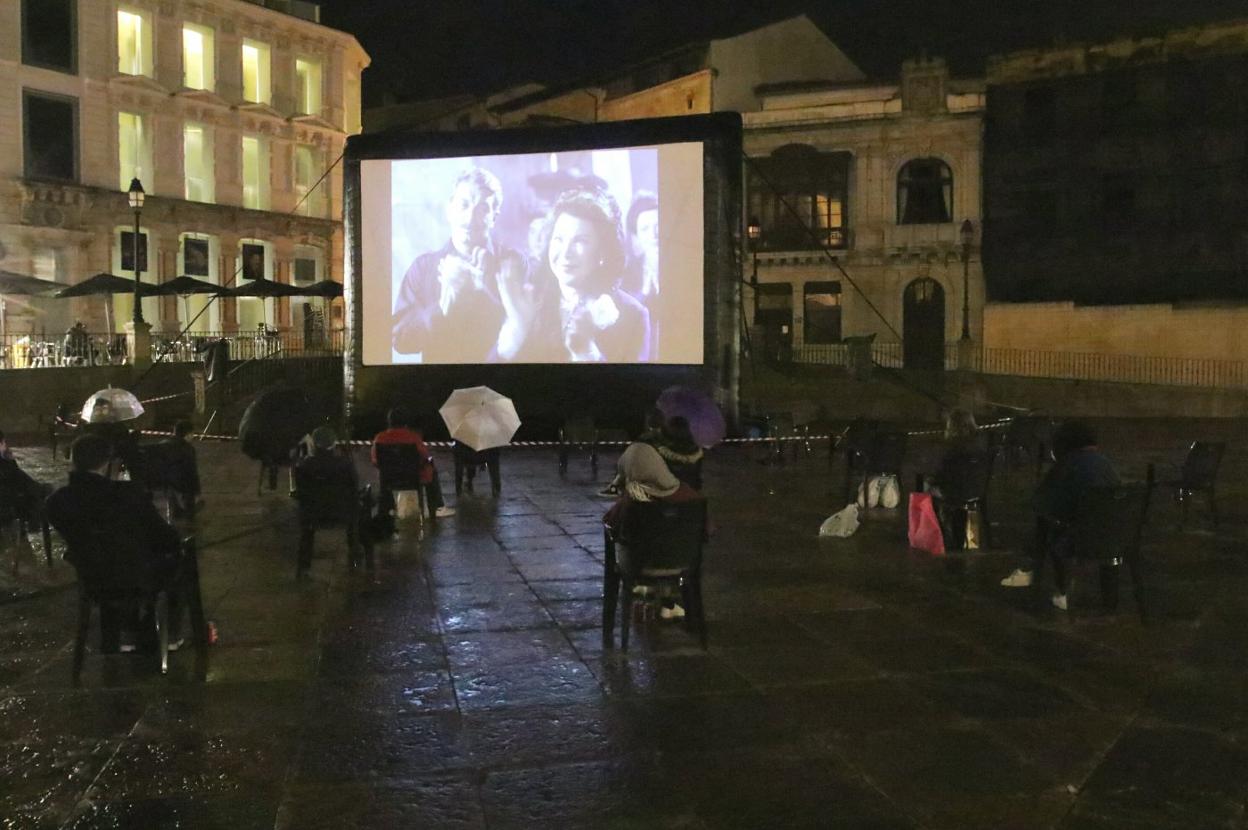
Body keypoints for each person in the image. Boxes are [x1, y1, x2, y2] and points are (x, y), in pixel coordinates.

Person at [46, 434, 185, 653]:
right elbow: (165, 537)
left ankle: (125, 633)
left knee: (119, 560)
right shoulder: (127, 494)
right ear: (107, 463)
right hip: (137, 577)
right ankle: (169, 633)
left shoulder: (57, 501)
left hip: (93, 578)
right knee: (176, 564)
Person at [495, 187, 650, 363]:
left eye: (580, 241)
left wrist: (587, 352)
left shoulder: (633, 315)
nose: (565, 253)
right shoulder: (525, 302)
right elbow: (485, 383)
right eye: (559, 239)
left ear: (602, 252)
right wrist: (517, 329)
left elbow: (631, 388)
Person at [391, 167, 529, 362]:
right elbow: (401, 341)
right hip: (438, 385)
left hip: (500, 382)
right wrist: (442, 309)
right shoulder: (423, 268)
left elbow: (527, 332)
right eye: (464, 204)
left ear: (494, 218)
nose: (470, 218)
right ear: (450, 208)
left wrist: (484, 288)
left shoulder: (513, 263)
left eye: (483, 209)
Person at [1000, 420, 1121, 610]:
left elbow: (1041, 502)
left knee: (1047, 521)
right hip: (1116, 537)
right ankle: (1110, 599)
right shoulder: (1106, 465)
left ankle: (1037, 571)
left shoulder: (1067, 465)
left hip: (1079, 539)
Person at [604, 440, 706, 620]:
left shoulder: (630, 500)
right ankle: (671, 604)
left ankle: (643, 596)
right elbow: (707, 529)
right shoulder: (690, 496)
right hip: (682, 564)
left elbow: (611, 524)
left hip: (639, 565)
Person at [294, 427, 360, 575]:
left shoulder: (303, 465)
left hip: (313, 514)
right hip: (342, 513)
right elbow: (354, 487)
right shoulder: (345, 464)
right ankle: (355, 558)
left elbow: (301, 492)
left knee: (307, 530)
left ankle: (304, 565)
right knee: (356, 514)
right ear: (334, 443)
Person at [370, 408, 455, 521]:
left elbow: (375, 460)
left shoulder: (379, 438)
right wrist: (429, 461)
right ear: (405, 423)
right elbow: (425, 456)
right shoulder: (413, 437)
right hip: (413, 477)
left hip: (388, 478)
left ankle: (387, 509)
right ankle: (437, 507)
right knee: (432, 470)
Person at [924, 409, 986, 548]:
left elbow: (943, 475)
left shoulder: (952, 450)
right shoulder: (981, 446)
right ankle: (971, 539)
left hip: (955, 492)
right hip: (977, 490)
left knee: (925, 488)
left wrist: (931, 481)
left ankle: (938, 532)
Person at [621, 192, 660, 357]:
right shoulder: (628, 272)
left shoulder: (684, 265)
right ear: (636, 236)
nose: (654, 235)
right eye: (645, 229)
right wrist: (645, 290)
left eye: (659, 226)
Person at [0, 430, 52, 529]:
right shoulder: (5, 465)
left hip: (10, 499)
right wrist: (10, 461)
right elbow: (18, 479)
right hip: (8, 505)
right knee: (37, 495)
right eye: (4, 443)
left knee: (35, 493)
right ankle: (34, 522)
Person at [154, 421, 202, 518]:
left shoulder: (164, 445)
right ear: (188, 434)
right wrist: (197, 488)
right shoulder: (188, 448)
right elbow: (191, 470)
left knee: (170, 487)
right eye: (192, 434)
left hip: (165, 480)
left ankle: (175, 510)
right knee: (188, 485)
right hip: (181, 481)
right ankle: (189, 510)